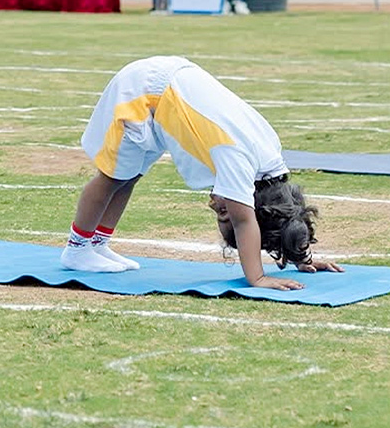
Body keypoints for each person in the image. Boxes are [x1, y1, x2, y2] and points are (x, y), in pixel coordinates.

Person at [61, 56, 341, 289]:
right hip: (143, 90)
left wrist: (300, 257)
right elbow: (245, 221)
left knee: (129, 176)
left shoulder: (269, 162)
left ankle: (96, 244)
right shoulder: (237, 160)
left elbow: (283, 216)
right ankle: (77, 249)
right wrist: (256, 277)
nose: (213, 204)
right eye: (222, 212)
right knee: (112, 176)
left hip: (163, 92)